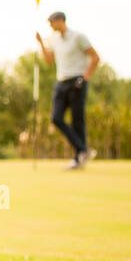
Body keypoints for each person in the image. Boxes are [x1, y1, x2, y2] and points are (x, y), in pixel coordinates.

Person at [36, 11, 100, 170]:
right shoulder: (54, 40)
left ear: (60, 21)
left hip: (77, 80)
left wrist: (85, 77)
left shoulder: (78, 37)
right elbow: (49, 61)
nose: (50, 26)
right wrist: (41, 43)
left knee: (77, 120)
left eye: (52, 23)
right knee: (56, 118)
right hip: (61, 82)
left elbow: (95, 57)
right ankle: (83, 150)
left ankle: (79, 156)